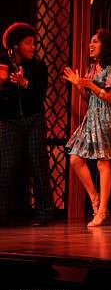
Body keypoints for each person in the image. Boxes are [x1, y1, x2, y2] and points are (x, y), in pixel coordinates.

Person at [64, 29, 111, 227]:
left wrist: (91, 86)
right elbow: (89, 98)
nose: (91, 45)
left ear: (105, 46)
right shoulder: (92, 68)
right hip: (91, 118)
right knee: (75, 159)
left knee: (103, 163)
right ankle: (95, 199)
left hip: (107, 118)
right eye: (91, 41)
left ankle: (101, 212)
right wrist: (78, 85)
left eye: (95, 41)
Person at [0, 22, 54, 227]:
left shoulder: (38, 66)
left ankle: (45, 213)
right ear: (15, 45)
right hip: (9, 121)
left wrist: (25, 83)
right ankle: (2, 214)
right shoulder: (2, 63)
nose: (33, 47)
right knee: (7, 166)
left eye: (34, 43)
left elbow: (39, 95)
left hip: (34, 119)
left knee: (38, 163)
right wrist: (2, 84)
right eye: (28, 43)